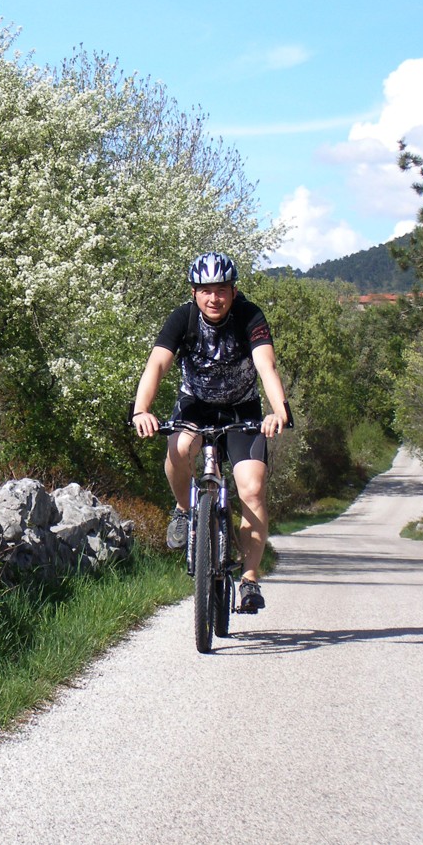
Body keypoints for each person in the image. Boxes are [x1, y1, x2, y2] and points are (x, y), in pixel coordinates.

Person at [131, 252, 289, 612]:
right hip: (196, 405)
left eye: (221, 290)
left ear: (233, 291)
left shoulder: (250, 316)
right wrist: (141, 410)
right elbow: (156, 363)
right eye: (205, 291)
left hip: (241, 408)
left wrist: (279, 410)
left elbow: (266, 365)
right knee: (178, 447)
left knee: (252, 487)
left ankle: (249, 580)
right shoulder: (182, 318)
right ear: (194, 293)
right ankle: (185, 510)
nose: (213, 298)